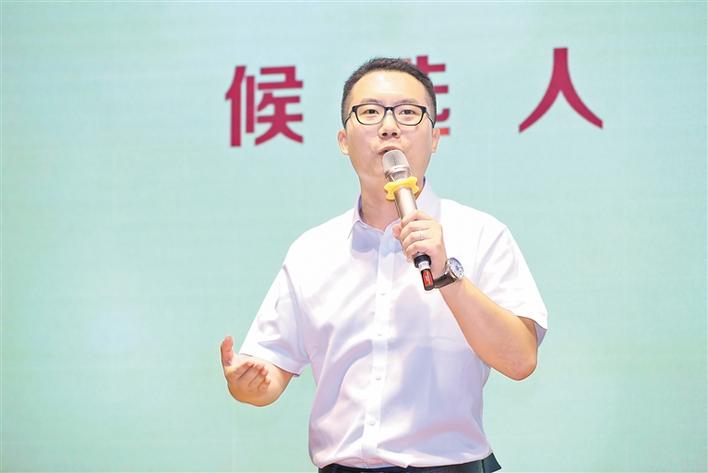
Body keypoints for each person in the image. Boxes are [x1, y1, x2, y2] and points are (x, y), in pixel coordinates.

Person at [220, 57, 548, 473]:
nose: (389, 127)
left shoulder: (482, 234)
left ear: (435, 138)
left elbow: (520, 361)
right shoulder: (312, 251)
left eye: (408, 113)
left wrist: (447, 276)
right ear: (343, 140)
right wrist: (250, 385)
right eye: (371, 112)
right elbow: (270, 372)